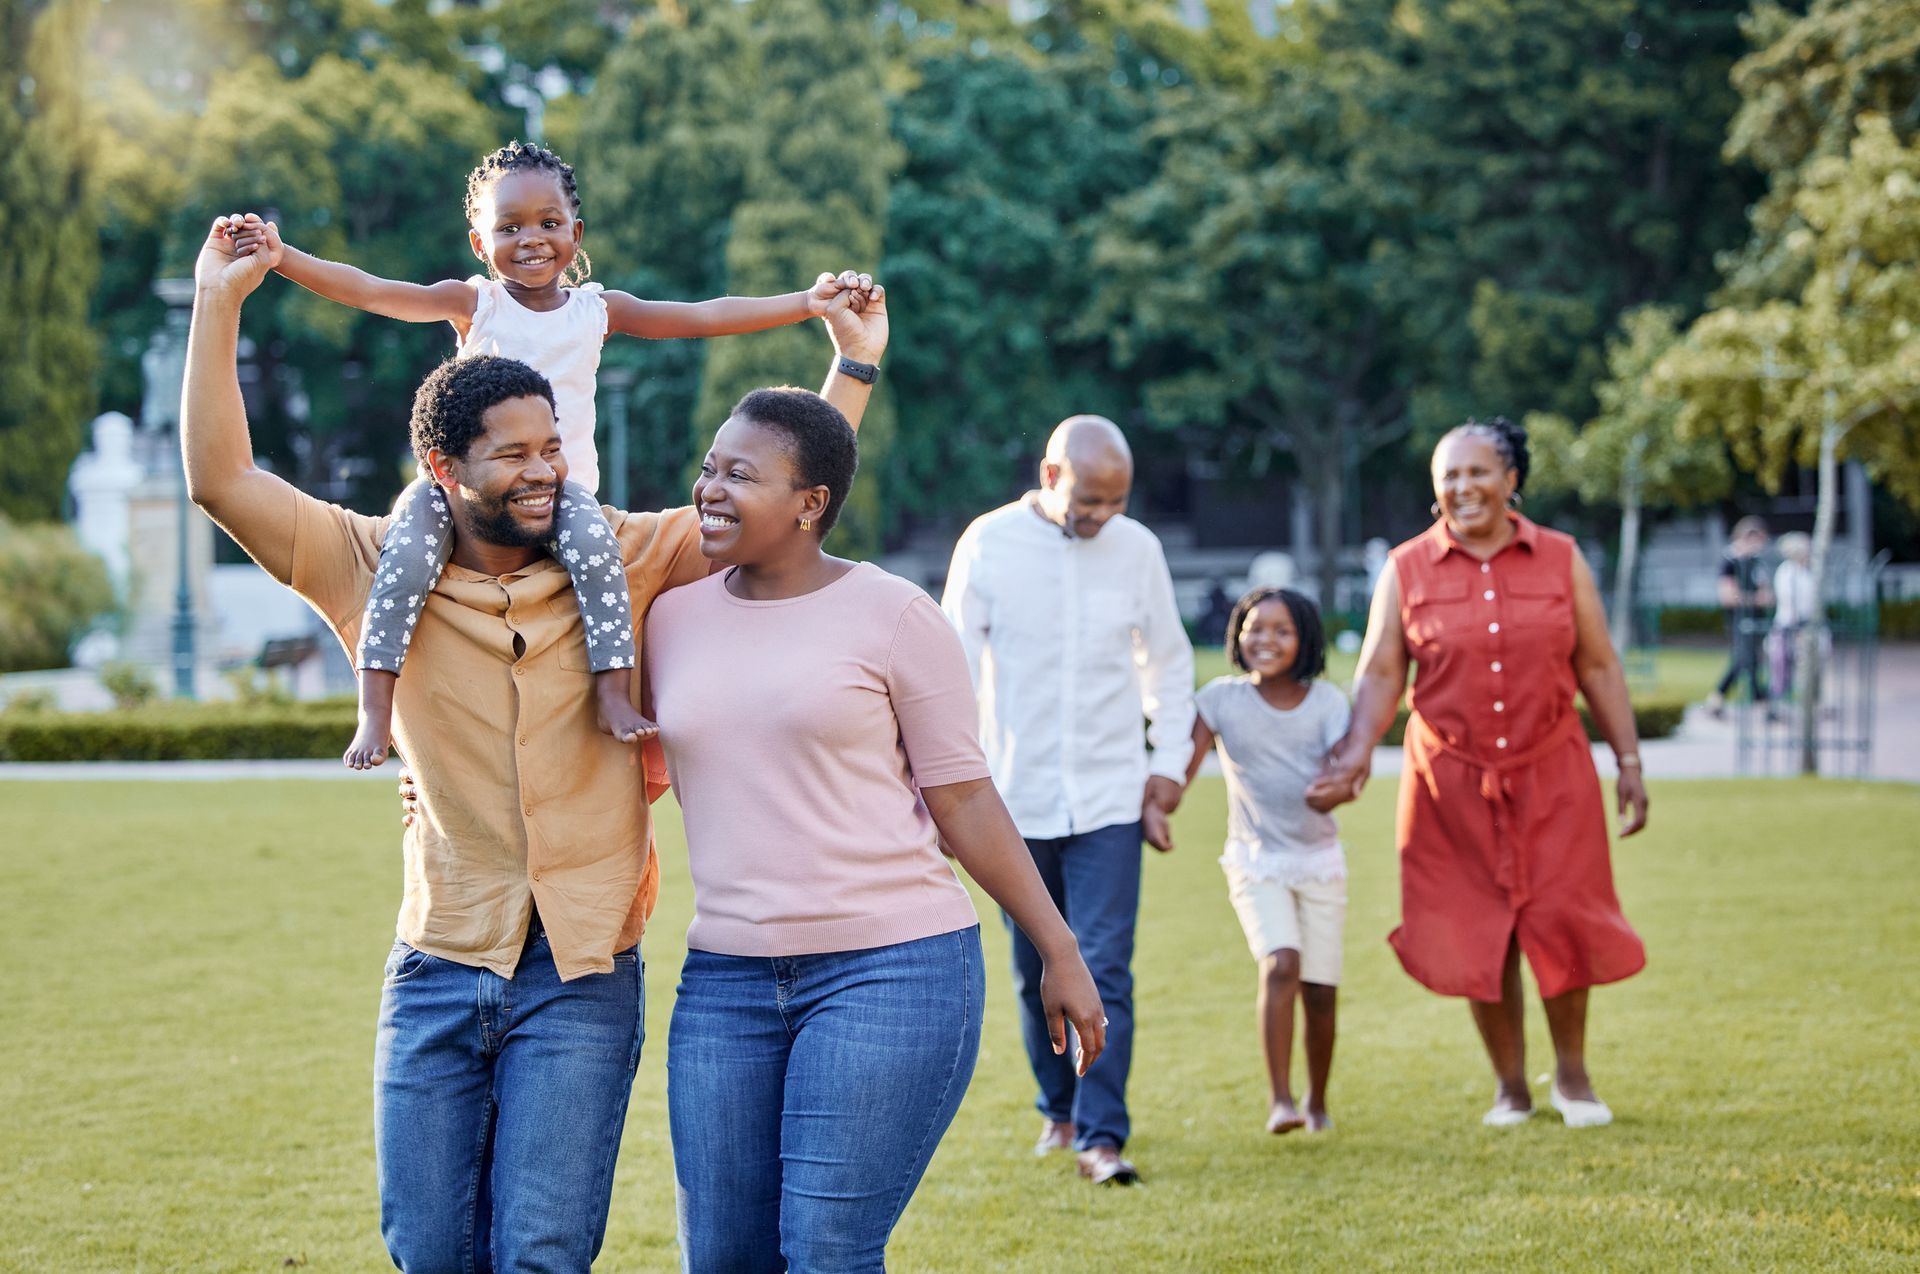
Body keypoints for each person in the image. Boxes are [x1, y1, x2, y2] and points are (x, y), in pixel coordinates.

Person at [182, 214, 887, 1271]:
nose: (543, 469)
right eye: (512, 452)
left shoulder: (628, 557)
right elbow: (221, 480)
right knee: (427, 1248)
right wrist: (217, 302)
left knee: (543, 1251)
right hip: (437, 961)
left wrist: (855, 364)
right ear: (441, 462)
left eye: (551, 445)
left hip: (581, 972)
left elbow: (777, 504)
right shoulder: (368, 564)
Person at [643, 387, 1106, 1270]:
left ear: (811, 502)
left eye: (740, 473)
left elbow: (964, 799)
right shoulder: (670, 617)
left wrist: (1059, 949)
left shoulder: (894, 615)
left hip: (891, 972)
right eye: (709, 467)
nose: (708, 488)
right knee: (722, 1257)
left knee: (825, 1251)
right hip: (725, 983)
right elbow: (605, 756)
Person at [229, 140, 864, 769]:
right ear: (481, 244)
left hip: (561, 493)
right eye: (510, 227)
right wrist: (283, 259)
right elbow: (373, 291)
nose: (532, 238)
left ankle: (613, 694)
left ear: (576, 232)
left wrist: (805, 306)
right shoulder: (476, 302)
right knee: (401, 565)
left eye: (549, 223)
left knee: (600, 563)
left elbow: (704, 315)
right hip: (463, 493)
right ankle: (374, 708)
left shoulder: (597, 311)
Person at [1313, 417, 1649, 1129]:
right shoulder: (1406, 567)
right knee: (1478, 928)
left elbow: (1596, 664)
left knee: (1560, 920)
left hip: (1553, 772)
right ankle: (1510, 1087)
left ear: (1511, 479)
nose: (1463, 487)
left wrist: (1628, 760)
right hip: (1449, 782)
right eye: (1449, 476)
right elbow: (1378, 673)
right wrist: (1351, 756)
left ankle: (1574, 1077)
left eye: (1478, 472)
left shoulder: (1560, 558)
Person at [941, 415, 1196, 1186]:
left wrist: (1170, 765)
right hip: (1012, 800)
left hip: (1113, 795)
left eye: (1117, 502)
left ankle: (1101, 1134)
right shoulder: (987, 542)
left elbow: (1171, 664)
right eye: (1091, 501)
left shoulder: (1138, 549)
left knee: (1103, 964)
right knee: (1032, 969)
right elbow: (952, 668)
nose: (1103, 517)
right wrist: (954, 786)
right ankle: (1056, 1110)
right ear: (1051, 476)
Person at [1178, 587, 1353, 1136]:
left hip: (1319, 861)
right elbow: (1180, 767)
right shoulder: (1220, 700)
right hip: (1255, 862)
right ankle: (1281, 1100)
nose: (1266, 640)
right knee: (1281, 964)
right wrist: (1158, 808)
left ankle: (1317, 1100)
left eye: (1281, 631)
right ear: (1238, 635)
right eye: (1256, 628)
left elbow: (1348, 771)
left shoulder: (1327, 703)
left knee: (1321, 990)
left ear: (1304, 641)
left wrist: (1337, 792)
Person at [1707, 516, 1773, 716]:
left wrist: (1755, 598)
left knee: (1748, 660)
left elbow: (1767, 594)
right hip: (1738, 618)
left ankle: (1719, 699)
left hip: (1755, 617)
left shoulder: (1755, 562)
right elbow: (1728, 596)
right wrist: (1753, 599)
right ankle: (1759, 703)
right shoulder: (1730, 561)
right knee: (1745, 659)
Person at [1769, 531, 1817, 699]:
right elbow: (1790, 600)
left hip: (1805, 623)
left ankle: (1810, 700)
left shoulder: (1806, 572)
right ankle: (1779, 703)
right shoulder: (1788, 572)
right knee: (1782, 668)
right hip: (1791, 624)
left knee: (1810, 667)